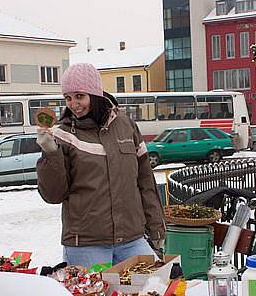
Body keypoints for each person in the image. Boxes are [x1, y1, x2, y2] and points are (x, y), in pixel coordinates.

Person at [36, 63, 165, 268]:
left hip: (131, 239)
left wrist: (156, 229)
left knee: (150, 291)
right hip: (87, 244)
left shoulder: (126, 126)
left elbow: (145, 182)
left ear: (95, 95)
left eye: (79, 96)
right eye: (68, 98)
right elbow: (54, 195)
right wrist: (50, 152)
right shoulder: (63, 134)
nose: (73, 104)